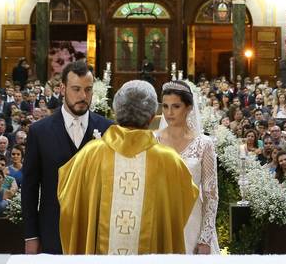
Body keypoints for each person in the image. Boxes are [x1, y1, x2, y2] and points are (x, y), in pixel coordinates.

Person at [58, 80, 198, 255]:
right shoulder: (169, 161)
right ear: (151, 116)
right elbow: (182, 204)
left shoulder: (89, 155)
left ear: (116, 112)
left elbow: (68, 198)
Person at [23, 61, 113, 254]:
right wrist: (31, 235)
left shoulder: (109, 130)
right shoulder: (39, 132)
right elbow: (30, 188)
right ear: (62, 88)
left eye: (88, 90)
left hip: (96, 233)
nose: (83, 96)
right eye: (76, 89)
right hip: (53, 231)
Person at [156, 80, 219, 254]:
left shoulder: (204, 144)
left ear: (189, 107)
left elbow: (211, 194)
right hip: (162, 220)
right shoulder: (154, 141)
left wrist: (205, 238)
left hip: (193, 222)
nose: (169, 113)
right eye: (165, 107)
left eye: (176, 106)